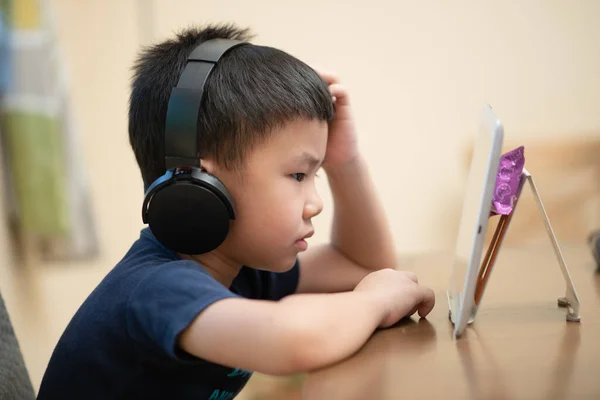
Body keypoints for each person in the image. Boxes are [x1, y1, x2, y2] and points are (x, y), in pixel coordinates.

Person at [37, 23, 435, 399]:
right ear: (203, 184)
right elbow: (293, 340)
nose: (316, 202)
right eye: (298, 175)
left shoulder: (242, 271)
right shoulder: (158, 288)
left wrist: (344, 163)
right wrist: (373, 301)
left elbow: (363, 264)